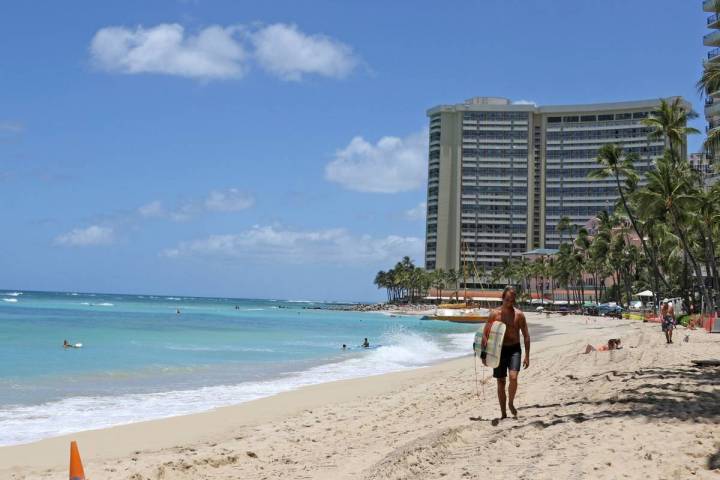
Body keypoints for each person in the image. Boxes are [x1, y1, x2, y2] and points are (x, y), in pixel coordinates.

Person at [484, 286, 530, 422]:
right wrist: (484, 354)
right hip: (499, 350)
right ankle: (503, 412)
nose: (510, 303)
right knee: (501, 381)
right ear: (502, 299)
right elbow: (485, 334)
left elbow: (526, 336)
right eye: (507, 300)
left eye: (512, 300)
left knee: (513, 377)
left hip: (514, 349)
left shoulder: (519, 315)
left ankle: (511, 402)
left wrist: (527, 355)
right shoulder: (494, 314)